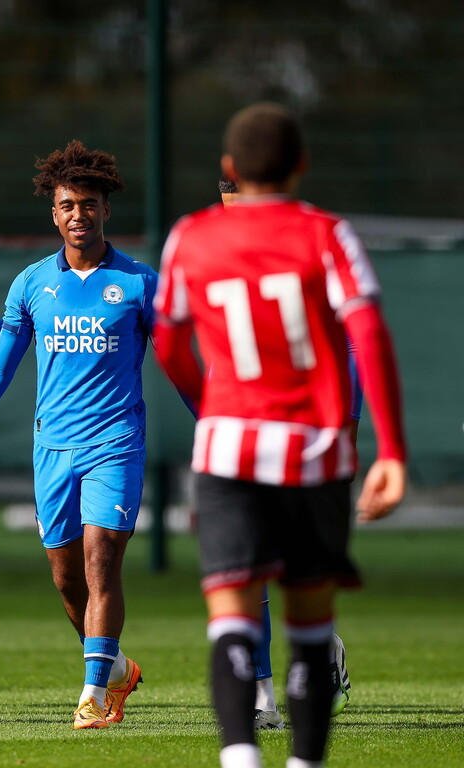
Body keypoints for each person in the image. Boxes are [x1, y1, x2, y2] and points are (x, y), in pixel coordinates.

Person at [154, 103, 406, 768]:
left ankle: (241, 756)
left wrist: (213, 406)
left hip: (229, 449)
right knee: (311, 629)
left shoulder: (190, 237)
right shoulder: (329, 234)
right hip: (315, 452)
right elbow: (370, 334)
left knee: (232, 619)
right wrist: (395, 452)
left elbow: (169, 340)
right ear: (301, 165)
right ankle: (305, 761)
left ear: (230, 169)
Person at [0, 140, 160, 730]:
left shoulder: (138, 283)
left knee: (102, 559)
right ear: (53, 214)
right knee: (66, 578)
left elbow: (178, 362)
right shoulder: (32, 284)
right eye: (66, 205)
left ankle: (92, 696)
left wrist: (211, 417)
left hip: (115, 442)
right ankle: (115, 670)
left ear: (106, 209)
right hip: (51, 449)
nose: (78, 214)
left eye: (88, 203)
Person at [217, 175, 353, 730]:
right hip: (242, 433)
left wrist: (346, 424)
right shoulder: (211, 250)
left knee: (293, 571)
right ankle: (263, 693)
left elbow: (349, 340)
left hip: (305, 435)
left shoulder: (309, 245)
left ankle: (321, 656)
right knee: (244, 567)